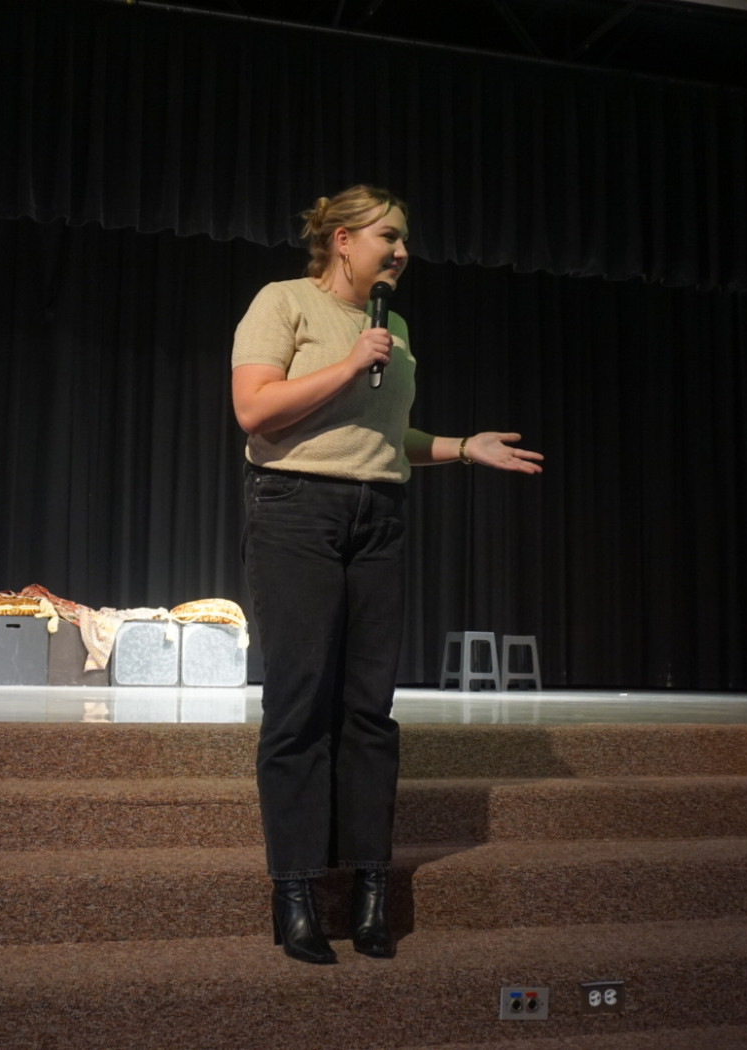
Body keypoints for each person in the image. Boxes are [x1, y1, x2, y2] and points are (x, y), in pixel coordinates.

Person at [231, 185, 543, 964]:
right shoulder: (285, 301)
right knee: (301, 703)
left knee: (370, 706)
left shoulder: (394, 326)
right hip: (297, 508)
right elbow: (255, 411)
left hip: (378, 517)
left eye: (404, 240)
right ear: (341, 239)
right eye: (388, 236)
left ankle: (373, 883)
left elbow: (382, 437)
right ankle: (295, 890)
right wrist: (346, 364)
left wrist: (462, 446)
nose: (402, 251)